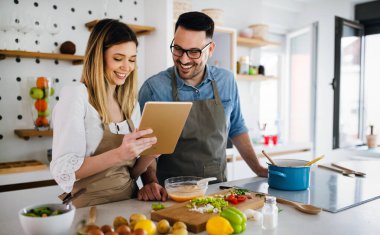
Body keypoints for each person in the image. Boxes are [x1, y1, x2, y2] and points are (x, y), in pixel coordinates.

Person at [137, 11, 268, 201]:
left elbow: (237, 127)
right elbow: (148, 147)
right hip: (171, 195)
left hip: (218, 190)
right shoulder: (154, 88)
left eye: (194, 52)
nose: (183, 60)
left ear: (211, 48)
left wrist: (258, 168)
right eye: (178, 49)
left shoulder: (226, 80)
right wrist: (150, 181)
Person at [50, 19, 158, 207]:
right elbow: (63, 169)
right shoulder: (76, 95)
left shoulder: (130, 102)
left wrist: (152, 153)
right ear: (98, 56)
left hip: (130, 203)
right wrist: (120, 153)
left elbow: (129, 172)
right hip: (88, 208)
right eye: (118, 58)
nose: (127, 67)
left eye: (132, 59)